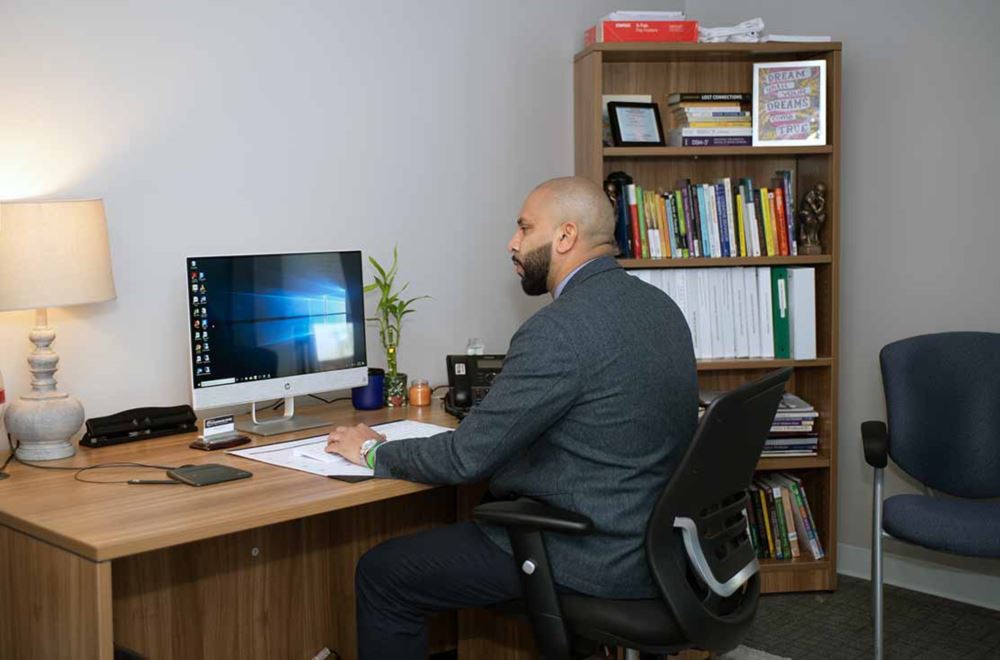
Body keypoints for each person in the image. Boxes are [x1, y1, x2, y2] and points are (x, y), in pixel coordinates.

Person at [326, 176, 698, 660]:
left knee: (383, 574)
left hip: (587, 553)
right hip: (654, 547)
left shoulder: (557, 330)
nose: (512, 242)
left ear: (564, 237)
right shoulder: (660, 307)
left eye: (524, 228)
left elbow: (464, 457)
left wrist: (372, 449)